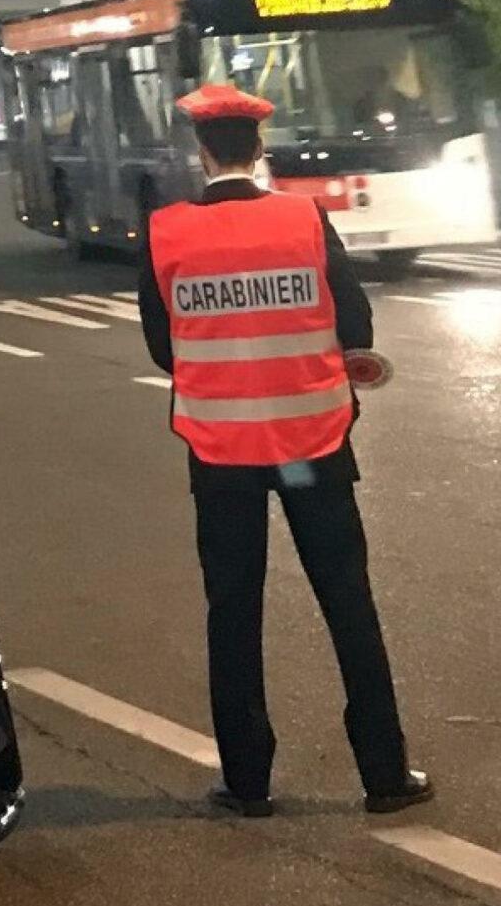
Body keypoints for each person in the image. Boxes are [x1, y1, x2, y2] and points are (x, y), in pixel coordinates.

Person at [137, 84, 432, 818]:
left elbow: (160, 345)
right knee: (347, 600)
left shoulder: (167, 230)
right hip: (312, 445)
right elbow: (355, 319)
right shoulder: (303, 219)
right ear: (258, 148)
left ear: (202, 150)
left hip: (223, 452)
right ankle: (385, 772)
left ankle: (248, 780)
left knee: (232, 610)